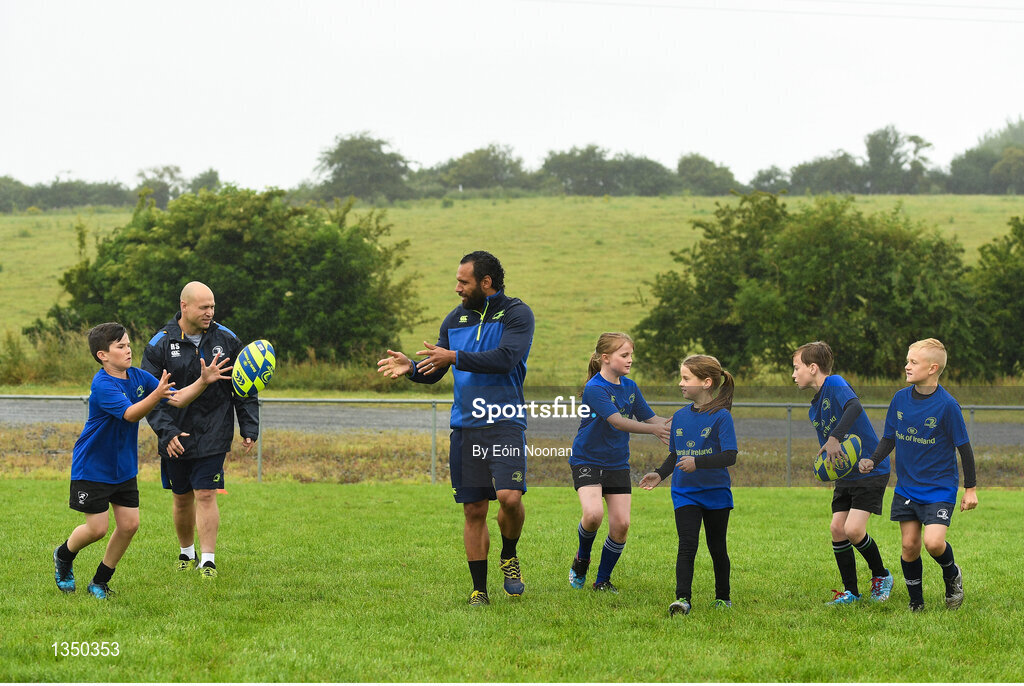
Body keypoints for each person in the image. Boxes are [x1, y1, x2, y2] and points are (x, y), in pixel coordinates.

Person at [377, 251, 534, 606]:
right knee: (474, 509)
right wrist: (413, 369)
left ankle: (509, 554)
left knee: (510, 498)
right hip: (466, 429)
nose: (457, 288)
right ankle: (480, 590)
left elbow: (506, 358)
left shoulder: (517, 314)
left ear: (486, 282)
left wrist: (454, 357)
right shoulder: (455, 319)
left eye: (463, 282)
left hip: (506, 423)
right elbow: (436, 368)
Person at [53, 322, 231, 598]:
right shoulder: (102, 384)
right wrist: (156, 395)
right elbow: (131, 414)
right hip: (93, 466)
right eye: (120, 346)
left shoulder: (138, 377)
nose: (128, 350)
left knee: (130, 525)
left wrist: (202, 381)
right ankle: (64, 555)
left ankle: (99, 582)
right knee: (97, 529)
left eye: (128, 344)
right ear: (103, 355)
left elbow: (178, 399)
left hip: (123, 467)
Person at [142, 281, 260, 578]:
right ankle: (186, 551)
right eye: (204, 307)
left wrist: (249, 426)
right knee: (182, 497)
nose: (210, 312)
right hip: (175, 435)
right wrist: (166, 433)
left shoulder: (228, 339)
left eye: (212, 306)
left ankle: (208, 560)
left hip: (214, 432)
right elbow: (149, 396)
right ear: (184, 307)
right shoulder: (160, 344)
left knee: (206, 493)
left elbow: (243, 387)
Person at [858, 338, 977, 611]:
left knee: (934, 543)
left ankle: (951, 575)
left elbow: (965, 450)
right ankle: (917, 604)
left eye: (913, 362)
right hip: (907, 487)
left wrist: (970, 489)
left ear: (933, 368)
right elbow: (889, 438)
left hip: (939, 488)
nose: (906, 366)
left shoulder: (947, 406)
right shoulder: (899, 399)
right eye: (907, 361)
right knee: (909, 546)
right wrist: (873, 461)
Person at [792, 341, 894, 605]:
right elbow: (830, 448)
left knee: (853, 529)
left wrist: (836, 436)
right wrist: (826, 465)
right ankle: (851, 592)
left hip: (870, 470)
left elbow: (854, 407)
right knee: (838, 528)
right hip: (847, 476)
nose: (793, 375)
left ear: (813, 368)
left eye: (796, 367)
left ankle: (882, 576)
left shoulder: (835, 383)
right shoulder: (814, 408)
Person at [567, 332, 670, 593]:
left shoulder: (630, 387)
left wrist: (682, 422)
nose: (630, 360)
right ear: (605, 358)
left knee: (622, 525)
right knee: (593, 515)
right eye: (624, 355)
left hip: (617, 463)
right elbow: (617, 421)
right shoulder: (595, 388)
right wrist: (655, 432)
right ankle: (582, 557)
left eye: (631, 355)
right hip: (587, 459)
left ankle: (602, 581)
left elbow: (651, 418)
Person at [639, 354, 737, 617]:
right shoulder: (679, 417)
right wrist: (660, 474)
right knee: (687, 545)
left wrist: (699, 462)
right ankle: (682, 599)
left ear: (706, 382)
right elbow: (676, 454)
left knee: (717, 547)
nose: (680, 383)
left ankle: (722, 597)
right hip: (685, 493)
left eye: (686, 378)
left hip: (716, 494)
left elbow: (730, 456)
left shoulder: (721, 417)